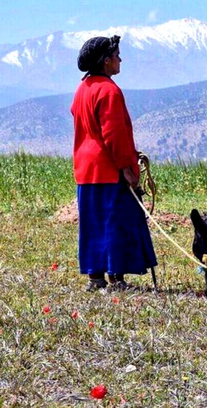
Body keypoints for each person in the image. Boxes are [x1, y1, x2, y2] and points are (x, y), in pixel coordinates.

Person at [71, 35, 157, 291]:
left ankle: (94, 278)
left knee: (93, 224)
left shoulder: (82, 89)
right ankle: (116, 279)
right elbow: (114, 135)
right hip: (110, 171)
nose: (120, 60)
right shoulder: (109, 91)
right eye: (117, 56)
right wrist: (127, 169)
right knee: (115, 223)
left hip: (86, 171)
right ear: (106, 61)